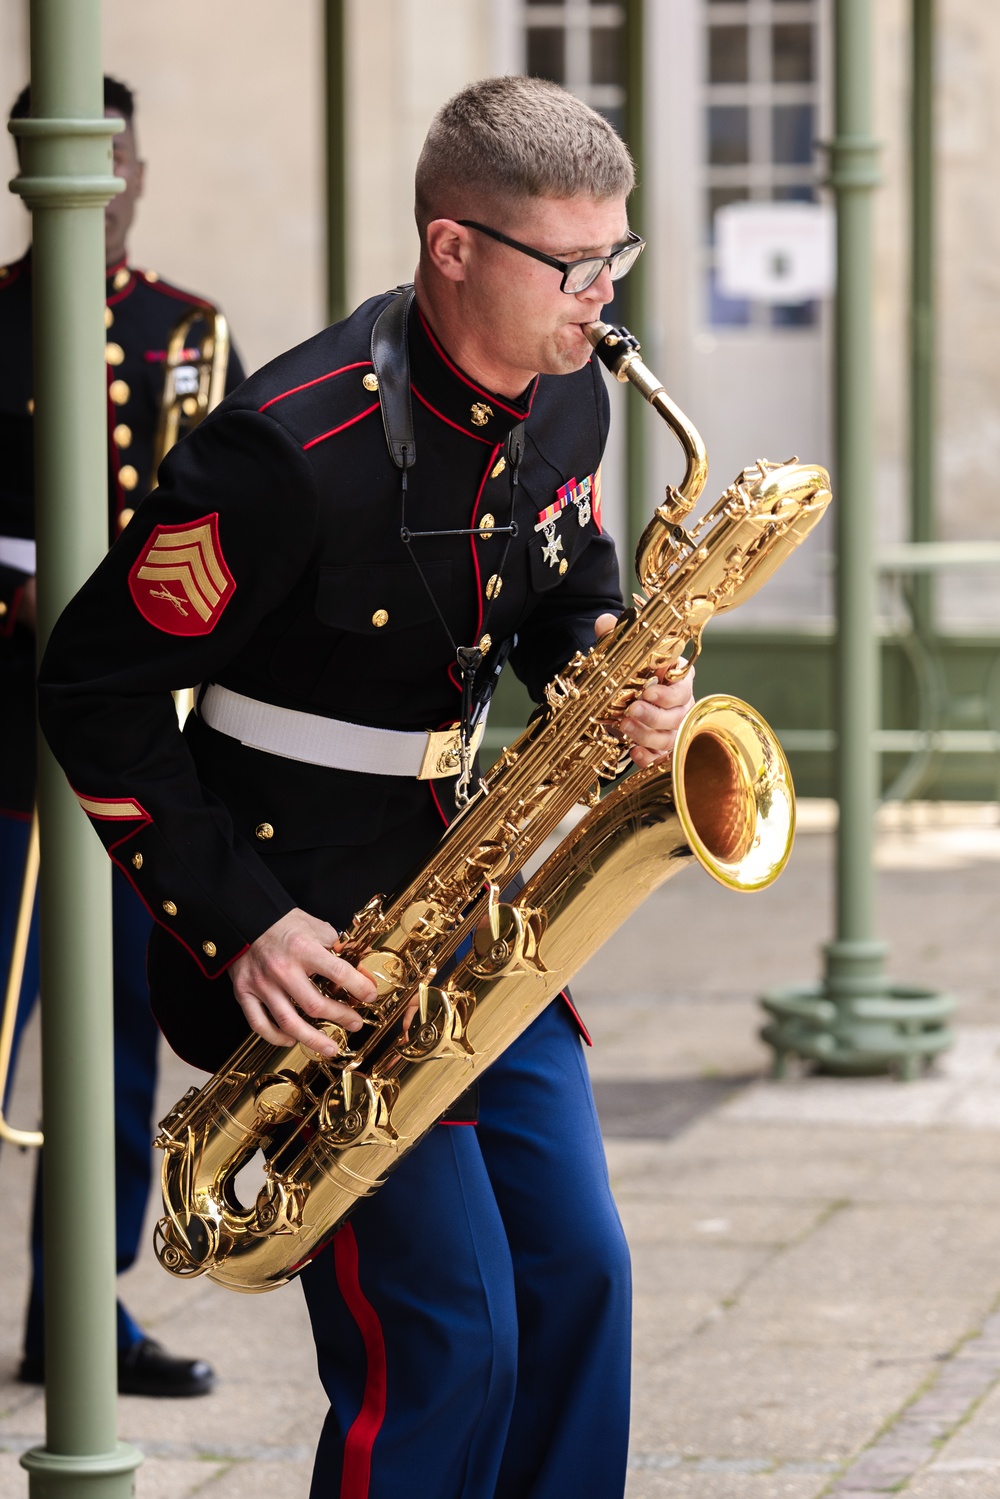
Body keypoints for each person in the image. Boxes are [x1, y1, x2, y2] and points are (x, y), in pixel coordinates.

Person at [38, 76, 694, 1494]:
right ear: (452, 249)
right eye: (573, 268)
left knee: (581, 1276)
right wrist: (245, 923)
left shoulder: (569, 392)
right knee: (448, 1340)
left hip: (468, 909)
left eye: (616, 260)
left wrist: (611, 665)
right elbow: (92, 688)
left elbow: (560, 586)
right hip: (306, 945)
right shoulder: (285, 449)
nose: (602, 301)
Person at [0, 74, 245, 1396]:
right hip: (0, 767)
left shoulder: (187, 336)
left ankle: (78, 1314)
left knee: (110, 1062)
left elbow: (236, 545)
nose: (100, 180)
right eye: (67, 157)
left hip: (137, 767)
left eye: (116, 155)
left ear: (137, 170)